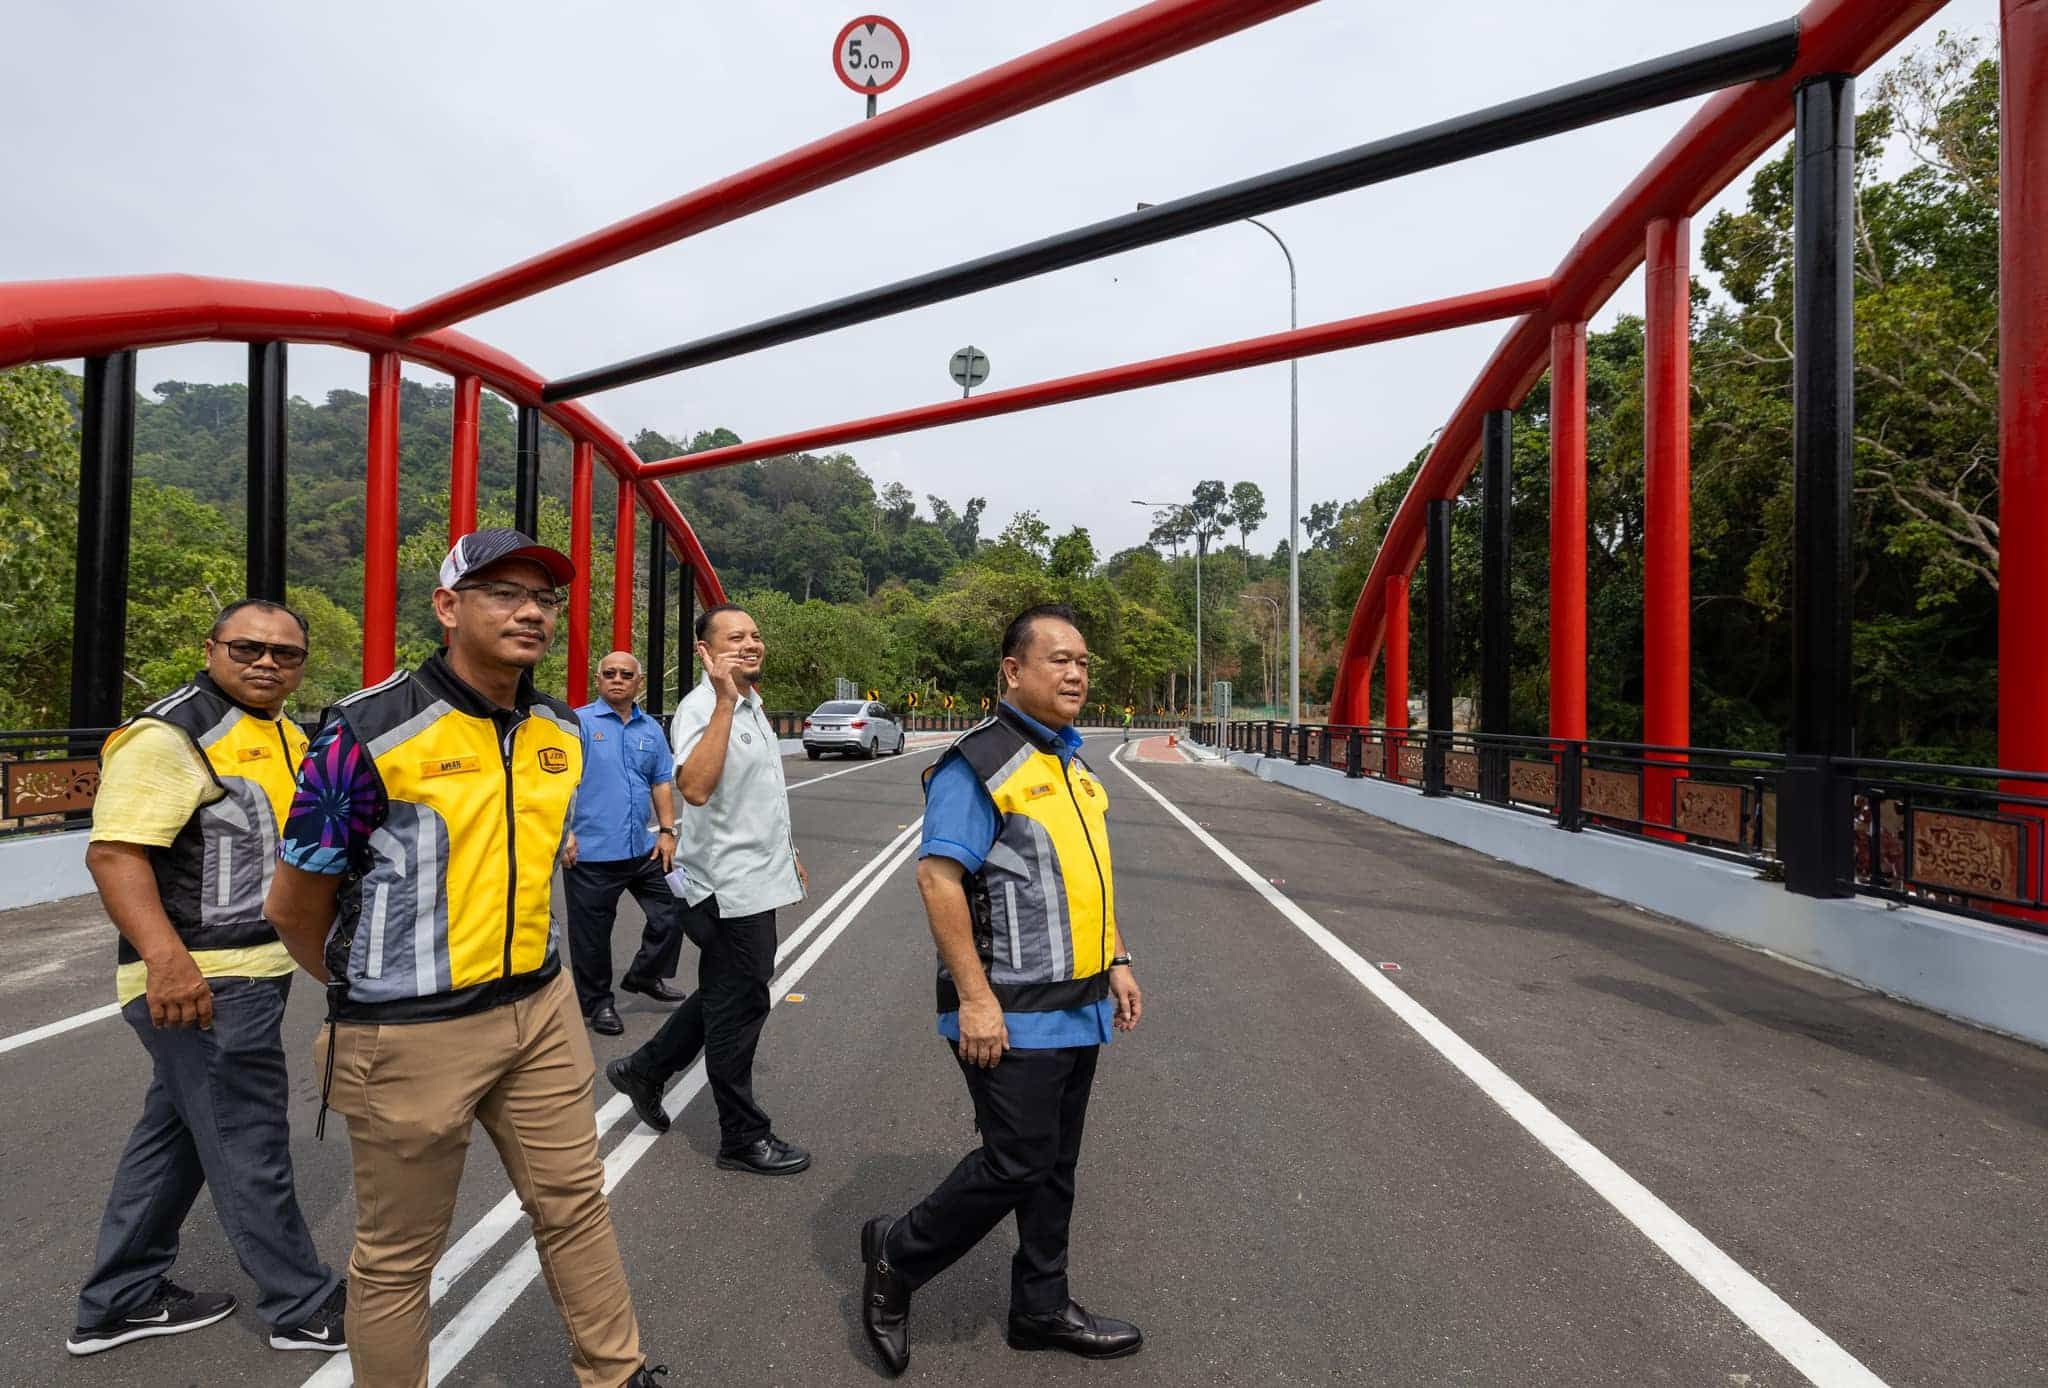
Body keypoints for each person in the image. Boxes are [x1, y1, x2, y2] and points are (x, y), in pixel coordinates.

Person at [263, 528, 666, 1388]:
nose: (530, 611)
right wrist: (371, 992)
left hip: (539, 1009)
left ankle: (617, 1374)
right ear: (448, 607)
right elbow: (295, 905)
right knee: (400, 1257)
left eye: (545, 599)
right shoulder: (368, 729)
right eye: (501, 593)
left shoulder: (558, 728)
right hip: (409, 1032)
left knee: (575, 1205)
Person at [860, 603, 1146, 1376]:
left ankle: (1041, 1307)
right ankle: (897, 1256)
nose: (1077, 672)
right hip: (1011, 1010)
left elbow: (1085, 878)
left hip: (1079, 1003)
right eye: (1058, 659)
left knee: (1054, 1166)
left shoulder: (1073, 765)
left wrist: (1116, 955)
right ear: (1012, 673)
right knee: (1016, 1162)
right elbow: (937, 877)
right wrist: (975, 999)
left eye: (1083, 660)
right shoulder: (979, 764)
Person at [68, 599, 346, 1358]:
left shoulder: (287, 734)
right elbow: (116, 854)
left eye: (285, 654)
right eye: (247, 647)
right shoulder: (171, 734)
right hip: (205, 981)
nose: (266, 662)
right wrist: (167, 962)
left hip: (249, 970)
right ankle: (303, 1305)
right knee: (249, 1140)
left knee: (180, 1138)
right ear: (211, 646)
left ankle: (119, 1298)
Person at [603, 603, 812, 1176]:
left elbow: (754, 800)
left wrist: (786, 855)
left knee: (728, 992)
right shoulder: (705, 708)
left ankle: (644, 1068)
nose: (750, 644)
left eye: (755, 634)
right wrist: (722, 701)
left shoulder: (752, 704)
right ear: (705, 652)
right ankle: (742, 1137)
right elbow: (694, 787)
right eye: (734, 638)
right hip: (723, 889)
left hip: (755, 878)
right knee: (740, 1006)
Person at [566, 651, 687, 1036]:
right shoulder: (577, 724)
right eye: (610, 673)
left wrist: (667, 831)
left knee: (675, 907)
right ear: (598, 679)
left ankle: (645, 974)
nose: (617, 679)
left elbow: (660, 782)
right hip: (591, 852)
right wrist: (562, 830)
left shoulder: (650, 729)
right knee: (592, 938)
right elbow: (556, 782)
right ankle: (598, 1004)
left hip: (642, 848)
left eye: (626, 674)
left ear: (638, 682)